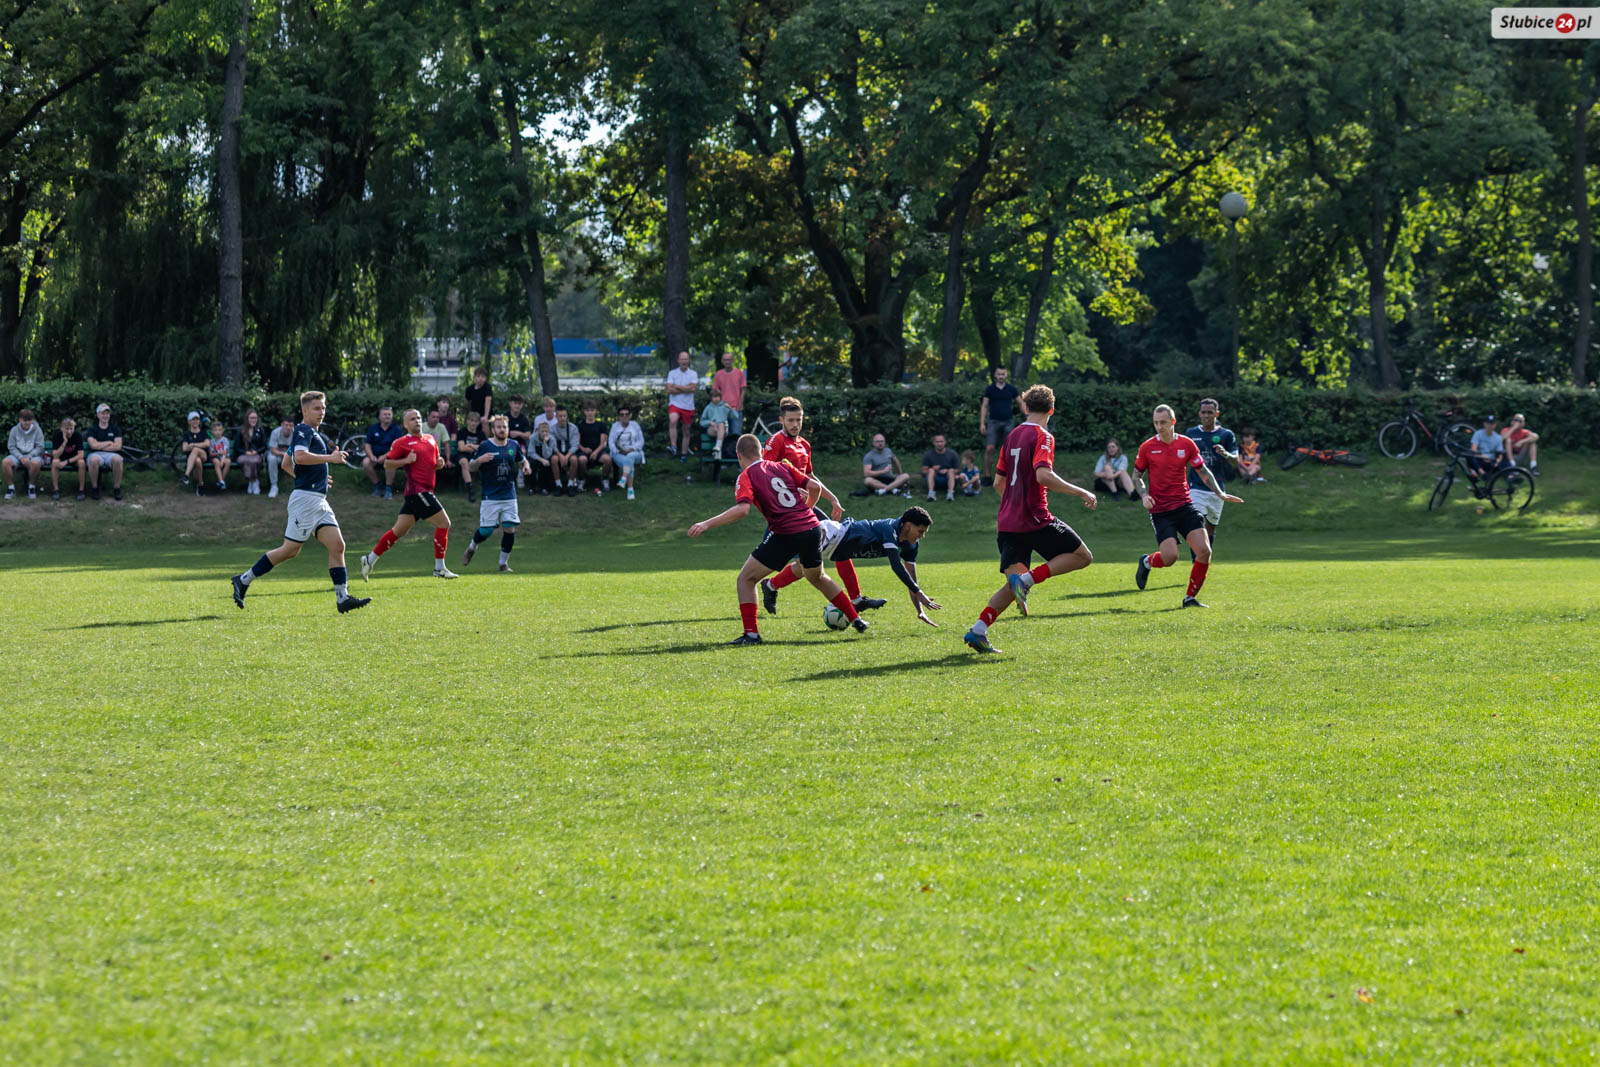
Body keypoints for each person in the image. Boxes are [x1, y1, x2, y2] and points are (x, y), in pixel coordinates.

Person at [687, 433, 868, 645]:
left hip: (786, 532)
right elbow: (815, 487)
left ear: (739, 456)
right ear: (762, 452)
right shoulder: (782, 466)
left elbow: (742, 510)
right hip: (812, 528)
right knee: (817, 577)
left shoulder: (746, 475)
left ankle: (751, 634)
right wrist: (806, 509)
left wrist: (706, 524)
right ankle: (856, 619)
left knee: (746, 579)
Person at [962, 385, 1098, 654]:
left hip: (1008, 521)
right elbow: (1043, 475)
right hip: (1035, 518)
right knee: (1083, 556)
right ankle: (1027, 580)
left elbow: (998, 483)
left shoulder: (1011, 436)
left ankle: (978, 630)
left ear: (1025, 407)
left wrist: (1012, 503)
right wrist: (1081, 491)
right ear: (1052, 410)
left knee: (1012, 585)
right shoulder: (1043, 436)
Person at [230, 390, 370, 614]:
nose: (321, 412)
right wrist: (330, 458)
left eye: (323, 408)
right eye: (316, 408)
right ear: (305, 410)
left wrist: (315, 477)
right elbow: (301, 457)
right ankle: (243, 579)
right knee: (289, 550)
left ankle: (342, 598)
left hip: (318, 500)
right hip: (306, 501)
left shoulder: (310, 433)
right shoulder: (304, 430)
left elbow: (287, 463)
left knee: (338, 545)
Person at [1132, 404, 1245, 609]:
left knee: (1204, 551)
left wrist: (1219, 493)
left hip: (1185, 506)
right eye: (1156, 423)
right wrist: (1144, 494)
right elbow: (1136, 476)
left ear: (1173, 422)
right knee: (1170, 558)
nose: (1159, 427)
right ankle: (1147, 562)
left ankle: (1189, 598)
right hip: (1161, 511)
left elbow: (1203, 471)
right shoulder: (1147, 447)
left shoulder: (1186, 444)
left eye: (1163, 422)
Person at [761, 506, 942, 623]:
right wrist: (919, 592)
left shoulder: (911, 545)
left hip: (838, 549)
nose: (922, 536)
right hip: (834, 535)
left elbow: (911, 579)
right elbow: (896, 566)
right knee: (787, 554)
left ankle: (770, 585)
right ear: (908, 526)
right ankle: (760, 569)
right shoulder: (890, 530)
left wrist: (919, 610)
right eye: (920, 531)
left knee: (804, 567)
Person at [360, 408, 457, 581]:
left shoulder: (430, 439)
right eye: (412, 419)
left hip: (424, 491)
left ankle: (369, 559)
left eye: (418, 417)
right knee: (444, 523)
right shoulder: (401, 442)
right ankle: (439, 568)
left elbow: (434, 462)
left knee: (398, 531)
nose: (417, 421)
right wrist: (406, 461)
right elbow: (387, 464)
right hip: (417, 491)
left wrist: (439, 464)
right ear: (405, 424)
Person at [461, 414, 531, 572]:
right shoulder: (485, 446)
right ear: (493, 430)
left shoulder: (513, 445)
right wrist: (479, 460)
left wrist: (526, 467)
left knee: (510, 528)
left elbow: (523, 461)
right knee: (487, 530)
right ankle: (472, 547)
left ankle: (503, 564)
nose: (502, 430)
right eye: (499, 427)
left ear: (508, 429)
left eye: (504, 427)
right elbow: (471, 467)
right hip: (490, 495)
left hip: (509, 495)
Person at [763, 396, 843, 520]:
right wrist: (790, 490)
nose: (795, 425)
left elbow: (810, 476)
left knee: (826, 527)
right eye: (790, 420)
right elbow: (763, 475)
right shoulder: (776, 441)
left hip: (802, 503)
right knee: (823, 528)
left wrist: (833, 499)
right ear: (781, 420)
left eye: (798, 420)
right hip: (784, 504)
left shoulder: (805, 445)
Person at [1184, 397, 1239, 551]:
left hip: (1217, 489)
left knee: (1209, 531)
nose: (1206, 415)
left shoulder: (1226, 435)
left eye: (1210, 412)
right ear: (1199, 414)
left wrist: (1226, 454)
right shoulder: (1191, 433)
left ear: (1217, 414)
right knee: (1197, 527)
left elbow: (1236, 461)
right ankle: (1196, 562)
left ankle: (1204, 561)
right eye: (1204, 412)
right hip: (1195, 487)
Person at [979, 366, 1020, 481]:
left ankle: (1008, 476)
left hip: (1008, 422)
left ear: (1006, 375)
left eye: (1003, 374)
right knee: (989, 448)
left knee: (1009, 450)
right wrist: (982, 423)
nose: (1001, 376)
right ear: (995, 375)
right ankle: (987, 476)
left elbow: (1021, 403)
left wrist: (1028, 416)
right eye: (999, 374)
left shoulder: (1011, 389)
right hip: (993, 422)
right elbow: (985, 406)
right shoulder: (990, 389)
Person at [84, 403, 125, 501]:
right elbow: (93, 445)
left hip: (112, 454)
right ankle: (95, 488)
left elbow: (118, 446)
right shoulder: (92, 429)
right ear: (98, 415)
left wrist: (99, 445)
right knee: (93, 460)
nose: (105, 416)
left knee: (118, 460)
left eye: (107, 413)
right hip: (95, 454)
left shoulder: (115, 429)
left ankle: (117, 489)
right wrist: (109, 443)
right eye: (103, 413)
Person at [4, 408, 46, 500]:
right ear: (20, 420)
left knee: (36, 463)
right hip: (17, 456)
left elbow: (40, 447)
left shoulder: (37, 430)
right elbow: (11, 447)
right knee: (5, 462)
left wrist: (29, 456)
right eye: (24, 420)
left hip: (33, 456)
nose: (27, 422)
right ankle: (11, 488)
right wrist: (20, 457)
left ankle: (31, 487)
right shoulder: (14, 430)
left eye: (29, 420)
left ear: (32, 420)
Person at [363, 405, 404, 498]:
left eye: (389, 414)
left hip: (390, 456)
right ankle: (378, 486)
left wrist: (384, 456)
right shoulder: (373, 428)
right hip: (375, 456)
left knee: (390, 461)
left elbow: (396, 448)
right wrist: (371, 456)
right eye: (385, 414)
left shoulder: (396, 429)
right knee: (366, 462)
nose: (387, 416)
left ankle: (388, 488)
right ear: (380, 416)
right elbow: (367, 444)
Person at [609, 403, 646, 500]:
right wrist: (618, 451)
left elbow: (641, 441)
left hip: (635, 453)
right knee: (629, 462)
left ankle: (623, 478)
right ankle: (630, 489)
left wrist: (633, 449)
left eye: (626, 414)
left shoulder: (635, 425)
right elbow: (611, 442)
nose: (624, 416)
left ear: (630, 416)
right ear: (618, 417)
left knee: (630, 457)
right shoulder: (615, 426)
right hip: (619, 454)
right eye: (622, 414)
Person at [666, 350, 699, 459]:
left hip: (688, 406)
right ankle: (674, 446)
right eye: (682, 359)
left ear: (688, 361)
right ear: (678, 360)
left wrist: (676, 386)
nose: (684, 361)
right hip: (675, 403)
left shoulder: (693, 374)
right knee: (673, 420)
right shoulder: (672, 373)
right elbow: (669, 390)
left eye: (686, 359)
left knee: (686, 430)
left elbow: (693, 389)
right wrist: (686, 388)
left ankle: (684, 454)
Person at [576, 400, 614, 493]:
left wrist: (595, 452)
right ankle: (581, 479)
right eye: (587, 410)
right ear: (584, 412)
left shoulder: (601, 425)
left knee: (608, 459)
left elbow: (603, 444)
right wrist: (584, 449)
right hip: (584, 452)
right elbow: (577, 442)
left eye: (592, 410)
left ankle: (605, 479)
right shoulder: (580, 425)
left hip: (599, 451)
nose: (590, 413)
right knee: (581, 460)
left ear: (595, 411)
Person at [49, 416, 86, 500]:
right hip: (61, 458)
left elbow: (81, 455)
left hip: (73, 458)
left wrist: (66, 462)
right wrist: (64, 442)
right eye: (66, 429)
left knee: (81, 463)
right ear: (62, 429)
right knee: (54, 462)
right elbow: (55, 455)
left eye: (71, 429)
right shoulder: (57, 436)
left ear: (74, 428)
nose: (69, 431)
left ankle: (81, 490)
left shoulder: (77, 436)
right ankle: (56, 490)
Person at [711, 351, 746, 436]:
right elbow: (715, 392)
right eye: (725, 360)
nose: (727, 362)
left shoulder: (739, 373)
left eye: (729, 359)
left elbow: (743, 390)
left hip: (736, 409)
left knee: (736, 435)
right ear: (722, 361)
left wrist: (738, 407)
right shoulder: (718, 374)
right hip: (722, 410)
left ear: (733, 360)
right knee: (722, 434)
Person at [455, 409, 487, 501]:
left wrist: (471, 445)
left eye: (476, 421)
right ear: (467, 421)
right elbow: (461, 448)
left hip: (476, 456)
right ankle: (470, 489)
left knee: (487, 460)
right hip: (463, 455)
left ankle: (488, 487)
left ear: (478, 423)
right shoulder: (462, 432)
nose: (473, 423)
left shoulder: (481, 434)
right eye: (471, 420)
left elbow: (484, 447)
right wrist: (477, 447)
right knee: (464, 462)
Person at [548, 405, 580, 495]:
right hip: (557, 452)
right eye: (560, 416)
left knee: (574, 460)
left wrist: (566, 456)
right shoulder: (552, 429)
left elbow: (575, 445)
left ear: (567, 416)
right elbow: (552, 445)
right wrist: (560, 456)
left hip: (569, 452)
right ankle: (558, 485)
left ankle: (570, 485)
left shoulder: (573, 428)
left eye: (564, 416)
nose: (562, 418)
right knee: (554, 459)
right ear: (556, 417)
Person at [921, 434, 962, 502]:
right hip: (935, 480)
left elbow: (958, 470)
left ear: (945, 442)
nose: (939, 444)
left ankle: (950, 494)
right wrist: (933, 469)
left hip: (949, 479)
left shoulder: (952, 454)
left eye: (941, 441)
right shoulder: (928, 454)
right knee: (931, 470)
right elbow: (923, 472)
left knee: (951, 470)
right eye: (937, 442)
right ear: (934, 443)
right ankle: (931, 494)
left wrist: (948, 470)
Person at [236, 409, 268, 494]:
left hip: (256, 454)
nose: (254, 420)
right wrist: (245, 452)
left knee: (254, 461)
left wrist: (256, 451)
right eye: (251, 418)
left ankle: (251, 482)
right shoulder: (241, 430)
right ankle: (254, 481)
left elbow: (264, 446)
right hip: (244, 454)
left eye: (255, 418)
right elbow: (237, 447)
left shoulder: (260, 430)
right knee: (243, 460)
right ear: (247, 418)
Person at [179, 411, 210, 490]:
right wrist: (190, 447)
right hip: (192, 458)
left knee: (196, 450)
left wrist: (193, 445)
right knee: (197, 460)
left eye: (197, 419)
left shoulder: (203, 432)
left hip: (204, 455)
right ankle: (200, 484)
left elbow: (207, 444)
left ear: (199, 421)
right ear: (189, 422)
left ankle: (186, 475)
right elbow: (184, 448)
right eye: (193, 419)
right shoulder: (187, 434)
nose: (195, 421)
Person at [266, 414, 294, 499]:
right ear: (282, 425)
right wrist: (284, 454)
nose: (288, 427)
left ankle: (302, 485)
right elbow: (273, 450)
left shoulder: (296, 433)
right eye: (286, 425)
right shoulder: (275, 432)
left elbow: (298, 450)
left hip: (291, 456)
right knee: (271, 459)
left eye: (290, 425)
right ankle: (274, 486)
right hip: (278, 455)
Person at [700, 387, 734, 458]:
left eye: (718, 396)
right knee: (719, 428)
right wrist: (710, 422)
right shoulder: (708, 408)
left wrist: (730, 409)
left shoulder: (724, 406)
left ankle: (717, 448)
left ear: (720, 397)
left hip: (723, 429)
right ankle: (718, 450)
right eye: (714, 397)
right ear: (711, 398)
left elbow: (735, 417)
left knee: (721, 424)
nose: (716, 399)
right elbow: (702, 422)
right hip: (712, 429)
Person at [528, 422, 557, 494]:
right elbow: (531, 452)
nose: (544, 433)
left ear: (549, 431)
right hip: (535, 457)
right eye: (542, 431)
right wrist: (541, 460)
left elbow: (547, 455)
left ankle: (545, 487)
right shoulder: (533, 438)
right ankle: (532, 487)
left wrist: (545, 443)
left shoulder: (552, 439)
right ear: (538, 431)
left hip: (546, 456)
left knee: (547, 465)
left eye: (546, 431)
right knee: (532, 464)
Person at [207, 420, 233, 490]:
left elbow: (225, 452)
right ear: (212, 432)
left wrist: (222, 461)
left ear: (222, 431)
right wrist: (219, 453)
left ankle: (221, 481)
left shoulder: (225, 440)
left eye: (219, 430)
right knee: (216, 461)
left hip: (224, 457)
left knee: (228, 462)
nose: (217, 432)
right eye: (215, 430)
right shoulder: (212, 441)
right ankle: (221, 481)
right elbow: (211, 454)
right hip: (215, 457)